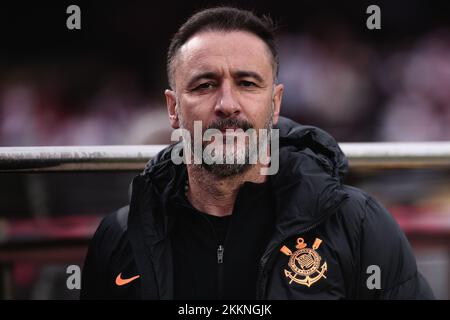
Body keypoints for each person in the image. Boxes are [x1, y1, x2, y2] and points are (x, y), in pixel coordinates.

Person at [80, 6, 434, 300]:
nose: (227, 105)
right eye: (205, 85)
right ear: (173, 108)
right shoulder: (121, 236)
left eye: (247, 84)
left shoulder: (357, 225)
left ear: (276, 103)